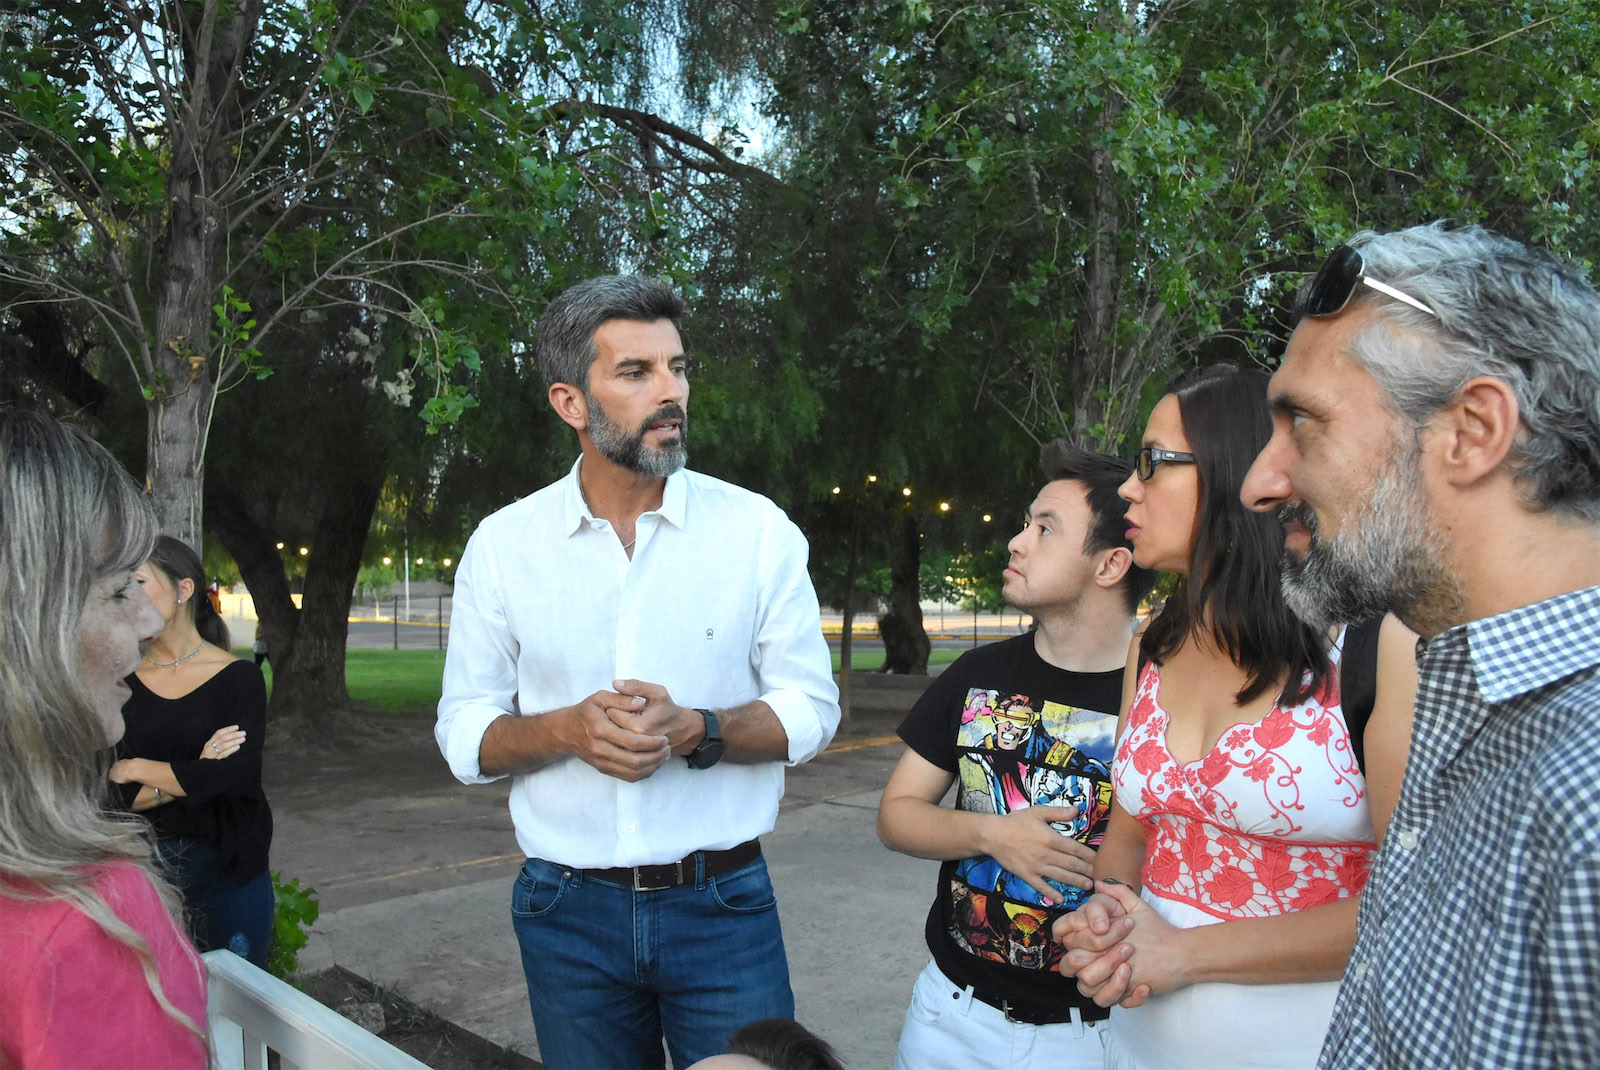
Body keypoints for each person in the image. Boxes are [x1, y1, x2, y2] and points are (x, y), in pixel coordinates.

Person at [435, 275, 840, 1069]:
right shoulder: (504, 546)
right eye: (636, 372)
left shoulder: (756, 531)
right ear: (570, 402)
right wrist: (566, 730)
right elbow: (464, 733)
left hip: (722, 906)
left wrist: (701, 728)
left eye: (677, 368)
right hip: (565, 911)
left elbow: (811, 710)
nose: (670, 392)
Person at [1240, 224, 1600, 1067]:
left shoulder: (1584, 800)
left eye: (1303, 422)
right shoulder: (1468, 702)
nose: (1260, 483)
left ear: (1472, 431)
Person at [1055, 364, 1417, 1069]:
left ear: (1239, 471)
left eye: (1152, 461)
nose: (1127, 487)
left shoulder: (1377, 646)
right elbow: (1129, 836)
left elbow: (1415, 901)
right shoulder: (1151, 645)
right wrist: (1110, 910)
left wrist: (1186, 953)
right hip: (1138, 1047)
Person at [877, 442, 1158, 1069]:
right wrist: (992, 835)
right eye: (1026, 523)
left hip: (1098, 1035)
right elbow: (897, 815)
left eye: (1045, 529)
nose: (1016, 542)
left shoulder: (1165, 694)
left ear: (1111, 563)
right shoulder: (976, 675)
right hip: (952, 1018)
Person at [0, 407, 209, 1067]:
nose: (148, 623)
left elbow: (228, 775)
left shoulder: (229, 679)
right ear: (26, 625)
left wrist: (149, 772)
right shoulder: (86, 923)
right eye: (120, 591)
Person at [110, 535, 274, 968]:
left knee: (236, 1000)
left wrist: (137, 767)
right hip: (143, 876)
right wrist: (198, 770)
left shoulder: (239, 678)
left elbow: (236, 778)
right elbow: (108, 794)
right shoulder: (118, 681)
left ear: (183, 590)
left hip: (229, 874)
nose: (127, 594)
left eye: (139, 581)